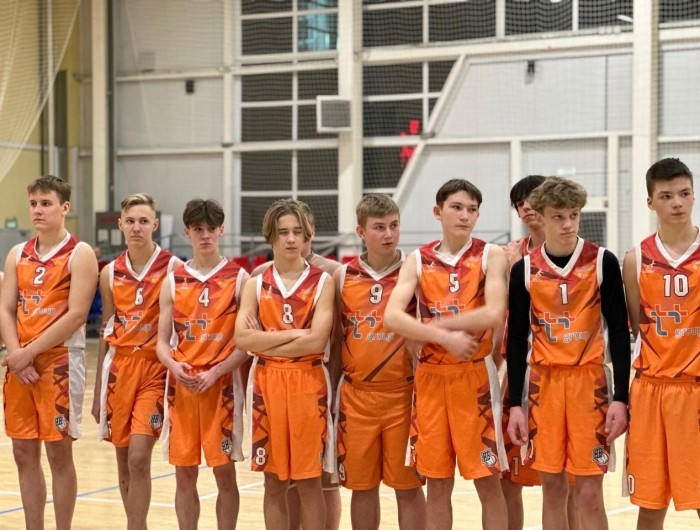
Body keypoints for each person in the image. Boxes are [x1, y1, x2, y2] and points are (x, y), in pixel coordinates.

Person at [506, 177, 630, 530]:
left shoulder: (602, 261)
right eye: (558, 216)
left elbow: (619, 333)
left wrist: (621, 398)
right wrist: (515, 404)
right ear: (540, 217)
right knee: (553, 489)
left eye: (573, 215)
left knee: (589, 493)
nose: (568, 224)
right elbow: (516, 340)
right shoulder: (524, 269)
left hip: (589, 385)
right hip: (543, 386)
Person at [385, 178, 509, 530]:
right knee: (437, 483)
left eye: (472, 209)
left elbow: (494, 312)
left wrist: (437, 328)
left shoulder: (490, 255)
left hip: (474, 378)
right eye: (456, 207)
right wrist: (442, 336)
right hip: (430, 380)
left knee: (488, 481)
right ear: (438, 212)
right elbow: (391, 317)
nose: (464, 215)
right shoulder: (417, 260)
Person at [0, 175, 98, 530]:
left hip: (59, 362)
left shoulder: (80, 253)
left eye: (46, 203)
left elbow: (76, 315)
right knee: (23, 452)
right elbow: (5, 309)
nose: (38, 210)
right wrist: (17, 354)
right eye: (33, 204)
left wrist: (26, 353)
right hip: (21, 364)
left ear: (64, 207)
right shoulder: (17, 254)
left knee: (58, 452)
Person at [235, 198, 335, 530]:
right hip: (266, 384)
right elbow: (243, 339)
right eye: (282, 232)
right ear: (271, 236)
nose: (290, 239)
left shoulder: (323, 282)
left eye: (296, 232)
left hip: (308, 383)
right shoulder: (255, 284)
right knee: (273, 481)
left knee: (309, 481)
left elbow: (317, 342)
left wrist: (266, 338)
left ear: (307, 235)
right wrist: (296, 333)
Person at [333, 194, 426, 529]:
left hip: (403, 395)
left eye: (394, 225)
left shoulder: (415, 272)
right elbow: (336, 339)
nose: (389, 234)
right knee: (361, 487)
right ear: (361, 231)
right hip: (356, 396)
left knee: (409, 487)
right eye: (379, 227)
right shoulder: (342, 277)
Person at [156, 198, 248, 529]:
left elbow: (247, 344)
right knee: (184, 475)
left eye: (211, 228)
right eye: (198, 229)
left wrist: (217, 371)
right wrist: (173, 366)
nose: (205, 235)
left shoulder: (240, 278)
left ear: (221, 230)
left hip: (222, 388)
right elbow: (161, 343)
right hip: (182, 390)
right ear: (187, 232)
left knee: (224, 473)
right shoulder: (173, 280)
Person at [91, 193, 180, 529]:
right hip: (119, 370)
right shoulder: (109, 272)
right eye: (130, 221)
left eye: (143, 221)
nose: (137, 227)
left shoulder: (173, 268)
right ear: (120, 225)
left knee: (139, 457)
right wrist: (98, 390)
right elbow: (107, 329)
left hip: (155, 369)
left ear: (155, 225)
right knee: (123, 459)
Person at [622, 158, 700, 529]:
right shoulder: (635, 259)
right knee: (650, 505)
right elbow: (636, 327)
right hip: (650, 391)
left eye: (684, 193)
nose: (677, 203)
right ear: (650, 202)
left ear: (694, 196)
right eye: (666, 196)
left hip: (695, 390)